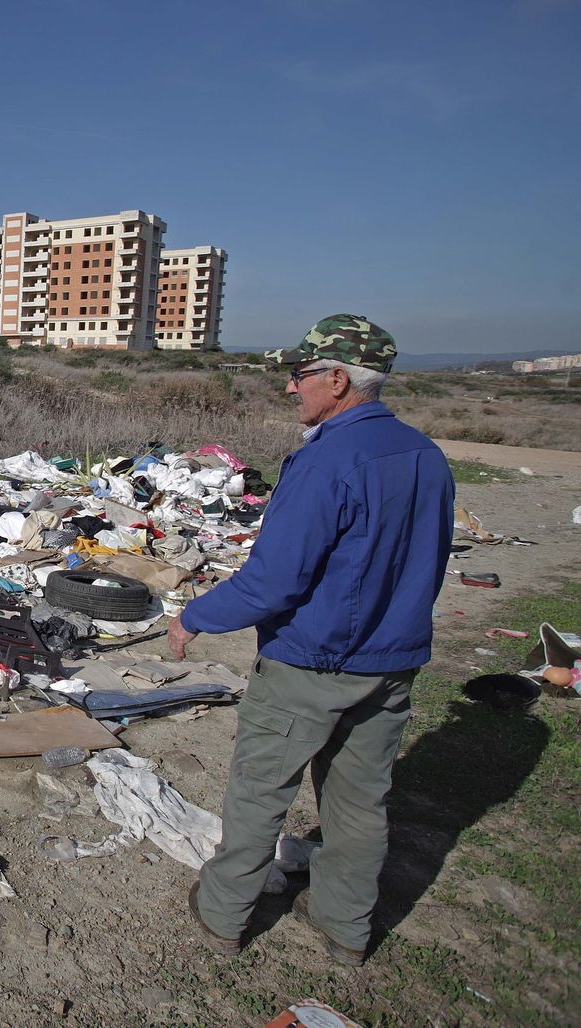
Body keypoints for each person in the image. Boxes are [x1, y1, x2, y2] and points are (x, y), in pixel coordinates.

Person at [167, 314, 455, 964]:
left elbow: (274, 580)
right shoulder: (426, 456)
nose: (291, 389)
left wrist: (194, 618)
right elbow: (429, 564)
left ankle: (222, 917)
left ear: (338, 378)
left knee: (258, 796)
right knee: (359, 804)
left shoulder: (328, 460)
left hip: (311, 664)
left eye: (299, 376)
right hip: (392, 666)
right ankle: (344, 929)